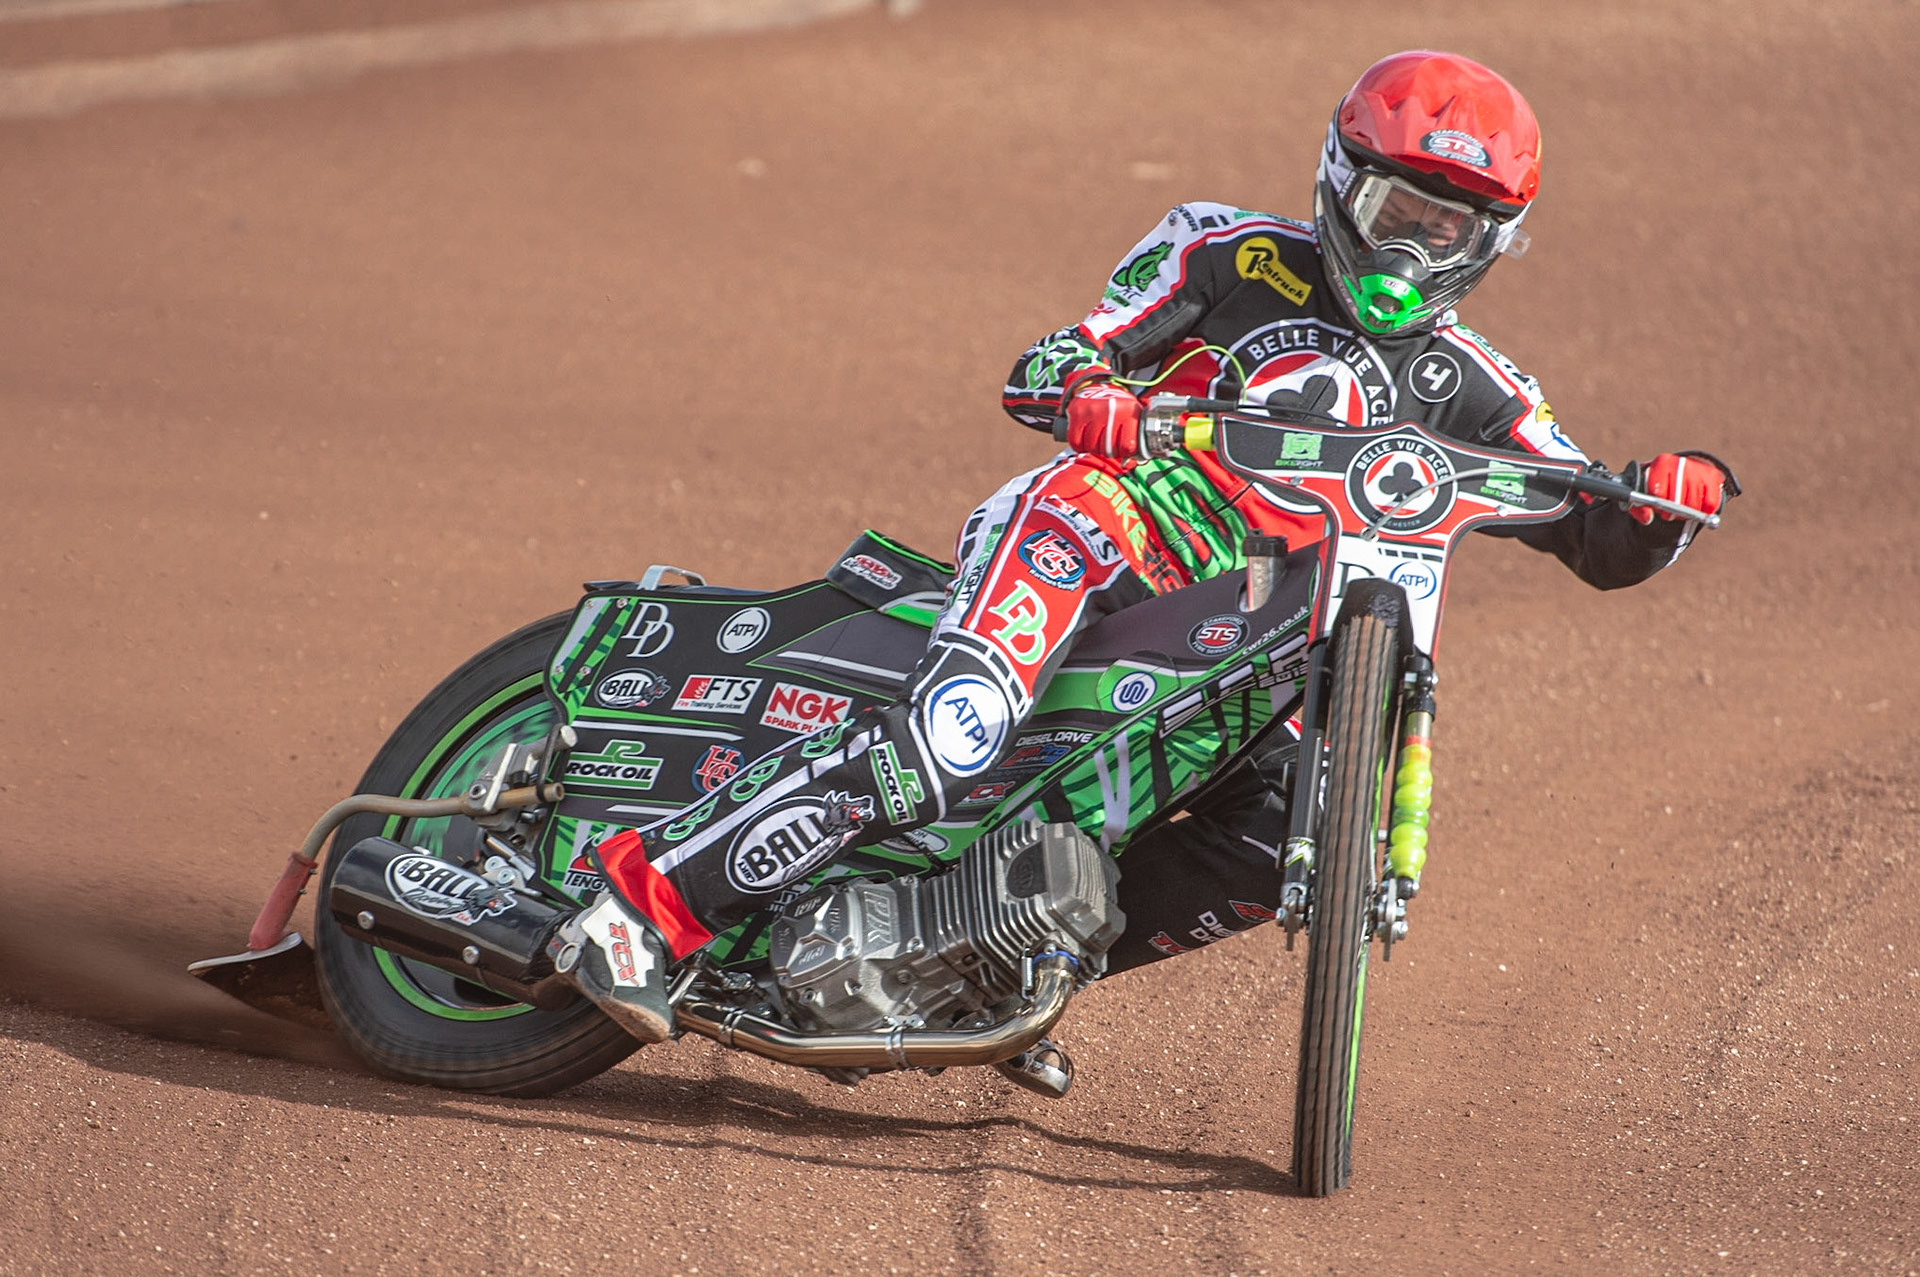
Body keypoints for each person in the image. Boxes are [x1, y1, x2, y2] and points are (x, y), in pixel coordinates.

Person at [554, 49, 1728, 1043]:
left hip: (1270, 638)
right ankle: (643, 907)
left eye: (1446, 229)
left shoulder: (1481, 386)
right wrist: (1088, 393)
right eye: (1392, 217)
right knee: (951, 734)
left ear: (1491, 243)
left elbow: (1597, 523)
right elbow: (1058, 357)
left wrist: (1667, 500)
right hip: (1103, 529)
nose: (1410, 252)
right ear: (1339, 183)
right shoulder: (1228, 254)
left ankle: (973, 966)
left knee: (1282, 842)